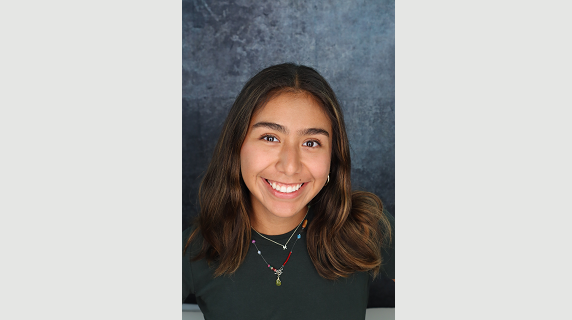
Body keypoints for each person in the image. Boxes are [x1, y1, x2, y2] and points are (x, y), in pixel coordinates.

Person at [182, 63, 394, 320]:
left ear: (333, 157)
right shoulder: (195, 250)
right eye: (270, 138)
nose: (290, 166)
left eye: (311, 143)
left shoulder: (365, 225)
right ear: (236, 147)